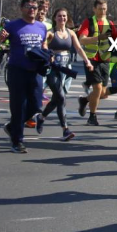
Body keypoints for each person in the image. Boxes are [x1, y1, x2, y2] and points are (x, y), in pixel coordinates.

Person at [0, 0, 48, 153]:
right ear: (22, 8)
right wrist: (0, 38)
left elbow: (43, 45)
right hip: (17, 70)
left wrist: (46, 54)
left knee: (36, 105)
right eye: (29, 7)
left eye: (35, 7)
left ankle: (11, 127)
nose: (32, 10)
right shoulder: (12, 25)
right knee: (19, 107)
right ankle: (17, 141)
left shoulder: (41, 27)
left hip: (35, 71)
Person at [41, 8, 92, 141]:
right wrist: (49, 53)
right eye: (59, 16)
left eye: (64, 16)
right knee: (61, 98)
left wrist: (87, 61)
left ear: (67, 18)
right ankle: (65, 130)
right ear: (55, 18)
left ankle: (41, 117)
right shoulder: (51, 33)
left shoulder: (70, 33)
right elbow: (43, 44)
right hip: (53, 69)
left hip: (66, 70)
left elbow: (79, 48)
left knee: (57, 99)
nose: (62, 18)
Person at [76, 0, 117, 126]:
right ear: (94, 9)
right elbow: (82, 40)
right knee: (97, 88)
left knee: (102, 93)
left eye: (105, 9)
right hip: (91, 60)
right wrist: (98, 38)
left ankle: (84, 100)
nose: (103, 11)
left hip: (105, 60)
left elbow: (116, 40)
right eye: (100, 9)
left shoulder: (109, 23)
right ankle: (92, 117)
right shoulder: (89, 22)